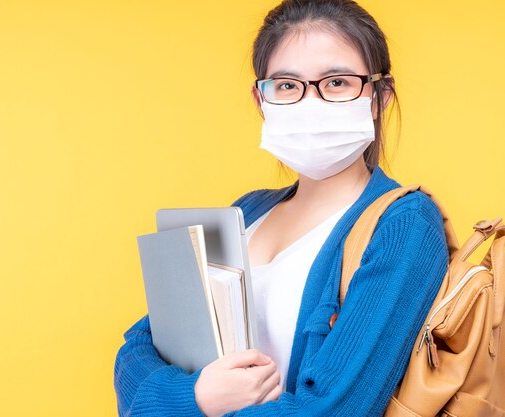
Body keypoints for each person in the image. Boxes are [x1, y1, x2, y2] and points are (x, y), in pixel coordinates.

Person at [113, 0, 450, 416]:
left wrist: (177, 406)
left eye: (337, 82)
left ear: (379, 97)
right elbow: (135, 353)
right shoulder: (246, 211)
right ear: (261, 100)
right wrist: (197, 397)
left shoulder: (404, 226)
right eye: (287, 85)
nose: (310, 103)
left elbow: (332, 410)